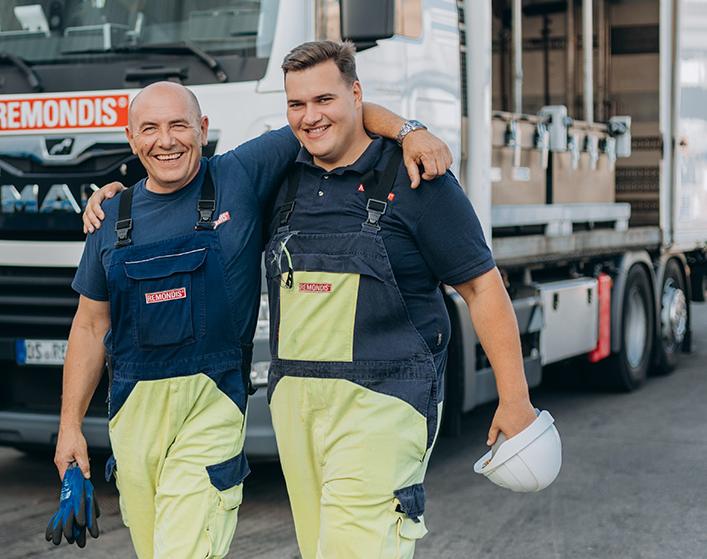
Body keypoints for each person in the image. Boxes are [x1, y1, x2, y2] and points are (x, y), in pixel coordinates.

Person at [55, 79, 452, 559]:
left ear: (202, 129)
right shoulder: (110, 216)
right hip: (133, 420)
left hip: (211, 406)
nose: (166, 141)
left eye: (179, 125)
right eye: (150, 129)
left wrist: (409, 131)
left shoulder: (238, 176)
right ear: (131, 138)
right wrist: (70, 426)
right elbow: (90, 326)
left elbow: (333, 113)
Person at [261, 41, 539, 559]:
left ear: (357, 94)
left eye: (324, 99)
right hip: (297, 408)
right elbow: (187, 186)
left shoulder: (418, 181)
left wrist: (514, 397)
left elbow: (482, 287)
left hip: (385, 404)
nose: (310, 116)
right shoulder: (279, 175)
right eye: (296, 104)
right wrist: (117, 197)